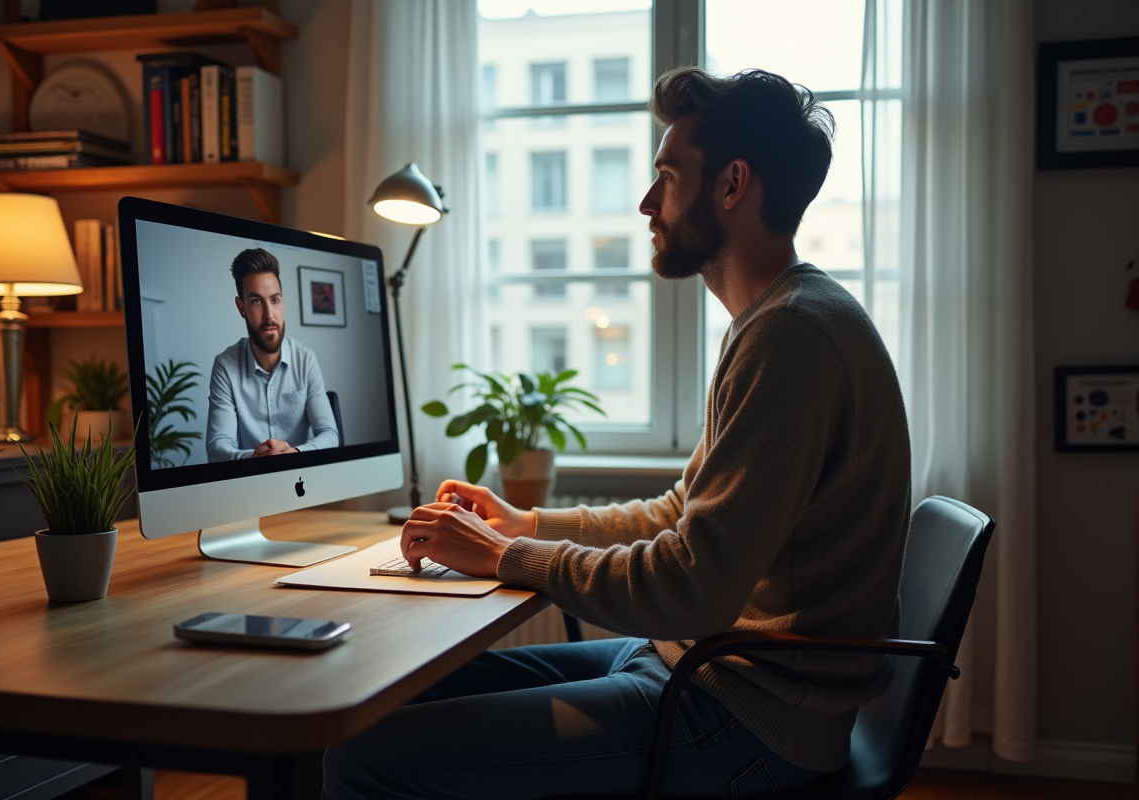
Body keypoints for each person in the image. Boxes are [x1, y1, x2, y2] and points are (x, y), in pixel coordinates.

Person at [323, 67, 911, 798]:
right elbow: (679, 514)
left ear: (732, 185)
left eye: (667, 175)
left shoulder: (790, 338)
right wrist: (525, 521)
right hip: (697, 671)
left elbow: (694, 586)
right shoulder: (776, 320)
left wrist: (508, 556)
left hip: (740, 719)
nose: (645, 201)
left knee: (365, 757)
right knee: (392, 694)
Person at [206, 248, 339, 462]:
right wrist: (255, 457)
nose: (269, 315)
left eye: (275, 300)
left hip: (301, 484)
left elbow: (330, 435)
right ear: (242, 308)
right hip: (251, 486)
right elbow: (216, 448)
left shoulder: (306, 360)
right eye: (257, 301)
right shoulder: (225, 366)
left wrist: (294, 453)